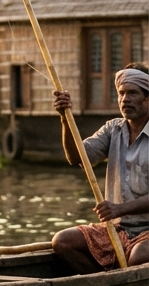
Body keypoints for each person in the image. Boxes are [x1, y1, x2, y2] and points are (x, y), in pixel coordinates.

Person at [50, 64, 149, 271]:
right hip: (117, 228)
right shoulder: (113, 129)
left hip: (147, 230)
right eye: (121, 93)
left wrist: (119, 209)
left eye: (133, 93)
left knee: (138, 257)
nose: (125, 99)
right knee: (62, 241)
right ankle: (102, 281)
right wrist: (65, 117)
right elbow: (77, 157)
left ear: (147, 98)